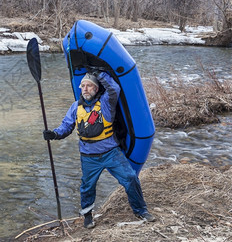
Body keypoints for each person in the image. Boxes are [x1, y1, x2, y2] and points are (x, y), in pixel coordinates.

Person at [43, 71, 155, 229]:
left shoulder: (106, 103)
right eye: (83, 86)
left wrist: (98, 73)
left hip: (111, 153)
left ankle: (140, 210)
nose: (85, 89)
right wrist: (54, 134)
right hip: (89, 157)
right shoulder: (75, 107)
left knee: (130, 178)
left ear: (96, 89)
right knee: (87, 187)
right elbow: (66, 127)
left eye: (90, 86)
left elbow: (114, 88)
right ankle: (88, 216)